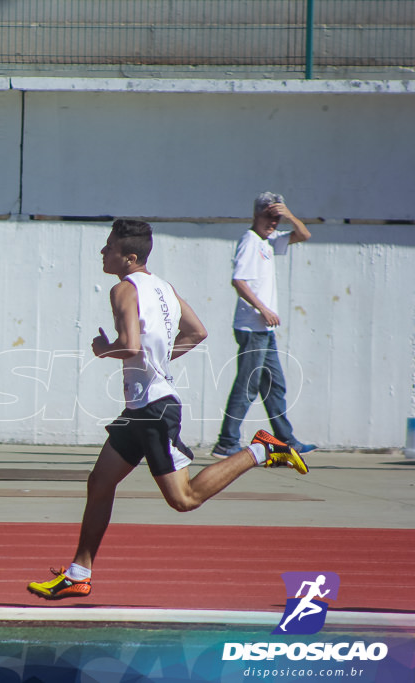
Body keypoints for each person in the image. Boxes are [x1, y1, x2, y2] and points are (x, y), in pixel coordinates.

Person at [27, 220, 309, 601]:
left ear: (129, 257)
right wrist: (157, 358)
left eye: (108, 247)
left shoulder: (123, 289)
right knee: (100, 483)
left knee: (184, 499)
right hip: (142, 408)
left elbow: (128, 345)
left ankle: (260, 450)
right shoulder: (164, 288)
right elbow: (197, 332)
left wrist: (103, 349)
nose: (102, 252)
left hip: (153, 410)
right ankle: (79, 572)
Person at [212, 192, 316, 458]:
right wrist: (263, 309)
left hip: (263, 330)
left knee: (274, 386)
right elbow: (239, 281)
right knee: (247, 385)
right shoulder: (250, 242)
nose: (273, 223)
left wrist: (290, 216)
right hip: (252, 327)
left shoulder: (268, 241)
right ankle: (227, 442)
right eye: (269, 217)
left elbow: (304, 235)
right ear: (256, 215)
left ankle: (287, 440)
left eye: (277, 219)